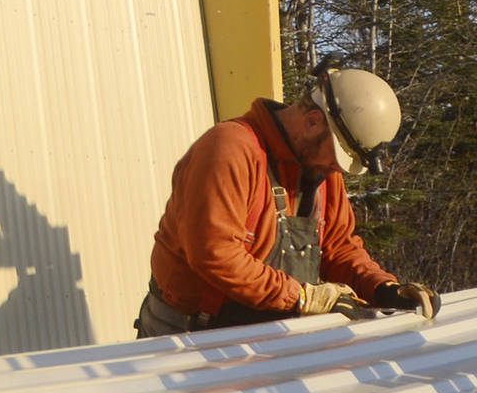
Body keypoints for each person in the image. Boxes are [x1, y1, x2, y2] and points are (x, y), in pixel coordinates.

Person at [135, 64, 442, 337]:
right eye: (338, 156)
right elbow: (214, 253)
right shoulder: (229, 149)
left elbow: (339, 248)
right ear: (312, 122)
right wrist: (300, 297)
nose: (338, 170)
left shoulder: (320, 169)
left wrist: (382, 288)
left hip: (263, 332)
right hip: (189, 336)